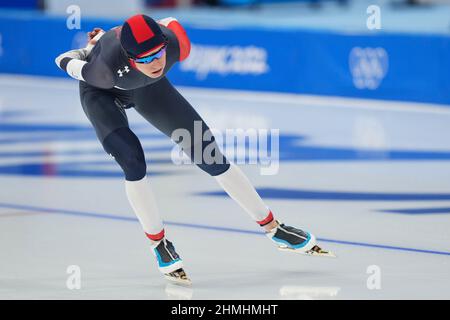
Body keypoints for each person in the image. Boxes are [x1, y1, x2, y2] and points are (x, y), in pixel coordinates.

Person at [55, 14, 333, 285]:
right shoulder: (100, 71)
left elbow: (166, 23)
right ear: (130, 57)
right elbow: (61, 59)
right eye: (146, 59)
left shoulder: (177, 44)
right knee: (133, 161)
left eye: (158, 53)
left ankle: (274, 228)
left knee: (209, 153)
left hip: (146, 87)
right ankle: (159, 244)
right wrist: (88, 50)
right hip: (102, 92)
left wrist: (141, 52)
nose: (156, 63)